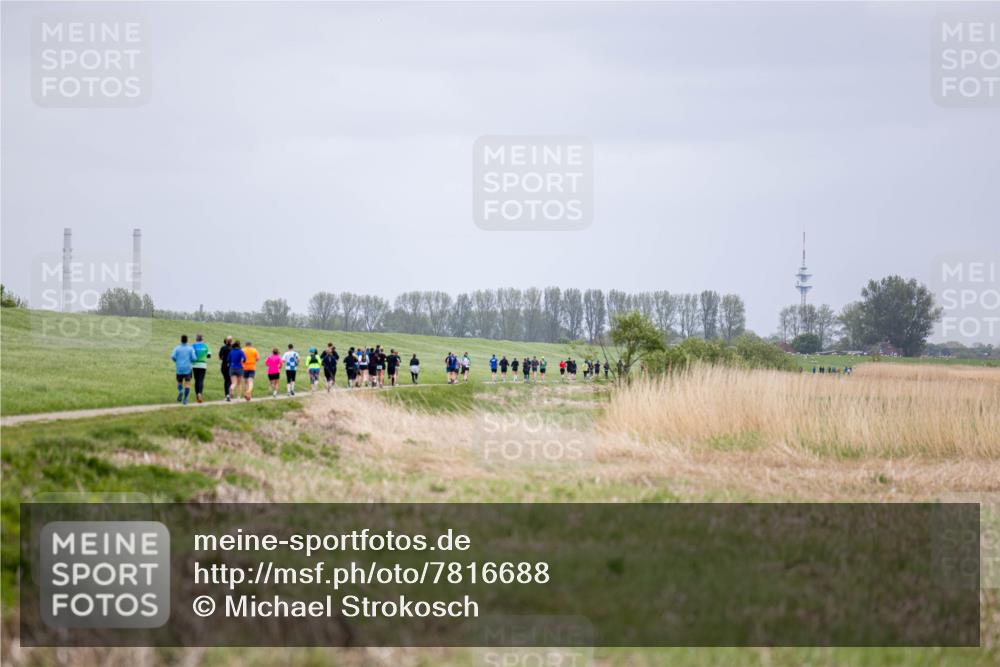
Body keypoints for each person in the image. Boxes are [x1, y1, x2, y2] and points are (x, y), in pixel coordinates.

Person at [171, 335, 197, 405]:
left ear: (181, 340)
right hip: (188, 369)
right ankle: (185, 399)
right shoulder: (190, 348)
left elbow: (173, 357)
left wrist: (177, 361)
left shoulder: (177, 348)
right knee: (187, 384)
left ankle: (180, 391)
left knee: (179, 382)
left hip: (179, 368)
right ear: (187, 340)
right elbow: (194, 358)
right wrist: (190, 361)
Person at [191, 334, 211, 404]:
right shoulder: (206, 346)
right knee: (201, 380)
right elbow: (209, 356)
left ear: (196, 339)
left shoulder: (193, 346)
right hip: (203, 365)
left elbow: (192, 356)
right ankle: (200, 393)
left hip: (195, 365)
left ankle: (197, 396)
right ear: (202, 339)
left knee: (196, 380)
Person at [219, 336, 233, 400]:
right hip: (231, 365)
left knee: (226, 380)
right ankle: (229, 394)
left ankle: (227, 394)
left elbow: (220, 357)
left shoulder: (223, 348)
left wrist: (224, 358)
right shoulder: (233, 348)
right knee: (229, 380)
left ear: (226, 341)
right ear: (231, 341)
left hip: (224, 365)